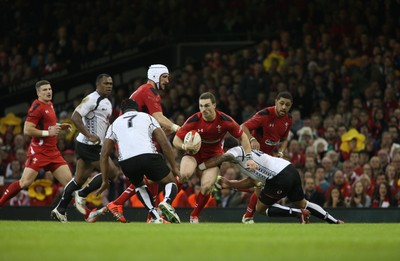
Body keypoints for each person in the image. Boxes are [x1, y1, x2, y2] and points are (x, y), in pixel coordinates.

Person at [105, 64, 181, 223]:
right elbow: (159, 118)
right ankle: (119, 203)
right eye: (164, 77)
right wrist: (179, 129)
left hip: (126, 142)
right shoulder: (148, 90)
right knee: (158, 175)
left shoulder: (142, 92)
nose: (167, 81)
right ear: (155, 76)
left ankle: (152, 216)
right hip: (135, 141)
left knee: (149, 179)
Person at [172, 92, 256, 223]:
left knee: (206, 187)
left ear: (214, 105)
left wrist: (249, 157)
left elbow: (243, 136)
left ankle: (194, 216)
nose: (203, 109)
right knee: (184, 174)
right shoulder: (194, 119)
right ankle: (166, 204)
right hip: (194, 153)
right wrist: (184, 146)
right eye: (201, 106)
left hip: (213, 157)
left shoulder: (225, 120)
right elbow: (176, 140)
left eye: (206, 106)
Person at [207, 145, 344, 224]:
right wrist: (230, 184)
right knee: (303, 202)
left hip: (279, 177)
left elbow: (228, 157)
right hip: (290, 168)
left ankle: (298, 214)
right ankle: (334, 221)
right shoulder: (246, 152)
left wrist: (207, 164)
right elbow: (252, 181)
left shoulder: (236, 152)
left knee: (260, 208)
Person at [52, 74, 120, 222]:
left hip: (93, 145)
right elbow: (75, 117)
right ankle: (82, 194)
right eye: (105, 83)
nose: (109, 86)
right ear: (97, 84)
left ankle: (60, 209)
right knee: (112, 172)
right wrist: (89, 135)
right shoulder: (91, 99)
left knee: (79, 178)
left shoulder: (107, 102)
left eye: (111, 83)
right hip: (89, 145)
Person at [0, 80, 73, 213]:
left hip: (53, 152)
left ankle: (87, 214)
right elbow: (27, 130)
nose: (48, 92)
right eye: (44, 90)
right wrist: (47, 132)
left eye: (49, 89)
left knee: (70, 184)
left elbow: (46, 123)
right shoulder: (36, 107)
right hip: (39, 152)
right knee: (25, 183)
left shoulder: (49, 104)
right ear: (38, 93)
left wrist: (60, 126)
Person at [240, 91, 293, 224]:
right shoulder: (265, 114)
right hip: (254, 153)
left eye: (287, 105)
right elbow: (243, 127)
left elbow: (285, 139)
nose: (284, 107)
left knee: (259, 184)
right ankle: (248, 216)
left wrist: (281, 152)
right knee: (259, 184)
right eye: (281, 103)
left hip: (268, 156)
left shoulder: (288, 119)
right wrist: (252, 139)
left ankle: (226, 185)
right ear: (275, 102)